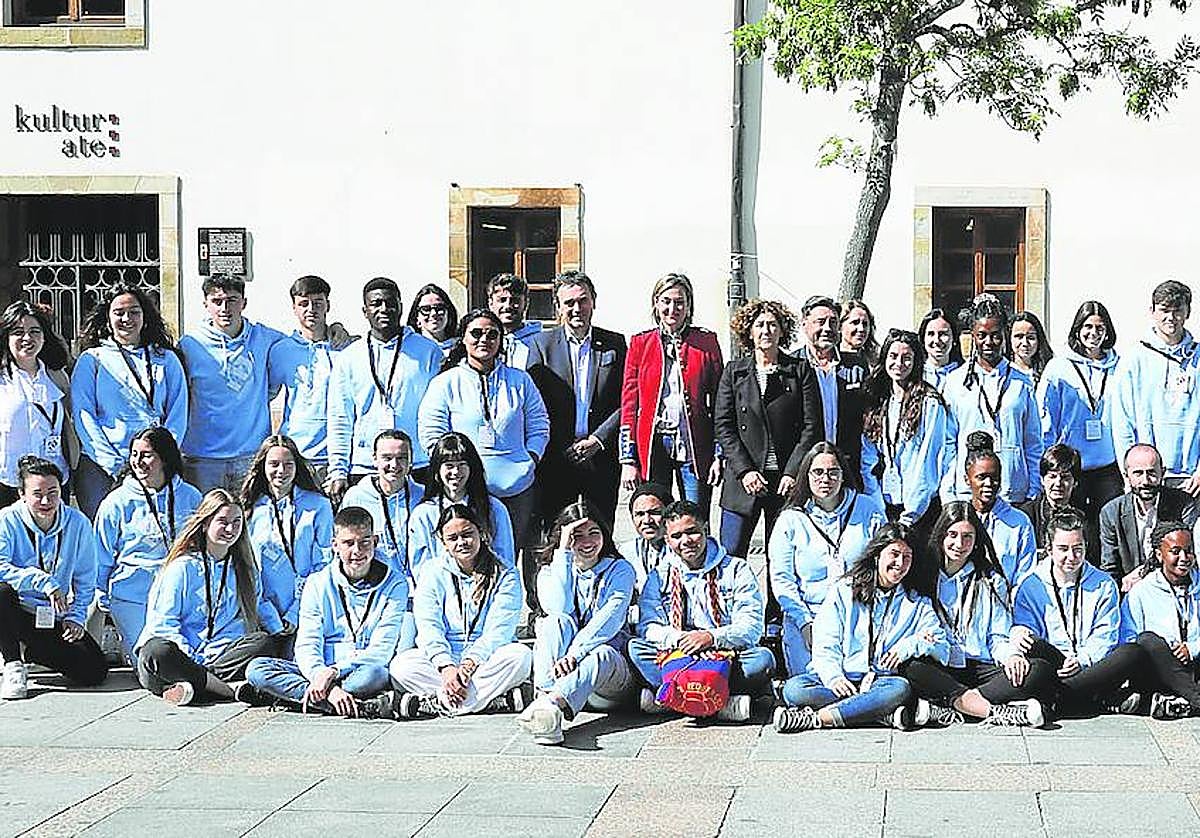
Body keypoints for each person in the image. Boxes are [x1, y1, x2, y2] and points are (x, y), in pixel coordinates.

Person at [418, 308, 549, 619]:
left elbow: (539, 424)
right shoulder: (446, 383)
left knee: (512, 556)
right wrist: (454, 473)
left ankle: (515, 616)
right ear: (463, 339)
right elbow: (432, 433)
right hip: (469, 489)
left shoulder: (520, 380)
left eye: (492, 334)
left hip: (517, 487)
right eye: (476, 333)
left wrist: (531, 459)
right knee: (471, 556)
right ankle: (473, 619)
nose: (484, 340)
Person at [773, 524, 950, 732]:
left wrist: (910, 646)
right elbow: (825, 641)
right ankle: (878, 712)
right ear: (877, 555)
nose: (900, 563)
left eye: (907, 557)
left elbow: (942, 648)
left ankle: (816, 719)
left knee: (900, 688)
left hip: (881, 682)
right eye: (894, 554)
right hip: (842, 678)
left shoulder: (916, 601)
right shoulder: (844, 590)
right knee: (795, 690)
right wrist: (834, 677)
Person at [244, 505, 411, 718]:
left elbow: (382, 649)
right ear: (335, 545)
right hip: (318, 670)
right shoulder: (317, 582)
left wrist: (335, 672)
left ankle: (294, 697)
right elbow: (307, 642)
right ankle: (353, 704)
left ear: (375, 541)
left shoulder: (396, 583)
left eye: (365, 542)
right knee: (257, 669)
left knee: (375, 674)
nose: (357, 551)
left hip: (358, 669)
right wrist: (324, 681)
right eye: (348, 543)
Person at [900, 501, 1053, 726]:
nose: (959, 544)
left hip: (979, 667)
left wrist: (1011, 656)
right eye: (952, 535)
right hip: (941, 665)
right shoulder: (923, 577)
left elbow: (997, 636)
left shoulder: (990, 580)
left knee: (1039, 670)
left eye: (967, 537)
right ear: (941, 535)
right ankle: (996, 711)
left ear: (976, 540)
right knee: (911, 668)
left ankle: (953, 707)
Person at [136, 489, 287, 705]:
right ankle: (226, 690)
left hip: (219, 656)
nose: (230, 529)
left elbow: (246, 617)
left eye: (236, 522)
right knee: (157, 651)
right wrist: (191, 657)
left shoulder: (245, 570)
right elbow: (163, 623)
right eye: (222, 522)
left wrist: (279, 629)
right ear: (205, 523)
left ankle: (192, 687)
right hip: (178, 654)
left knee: (263, 643)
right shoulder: (182, 567)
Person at [629, 500, 774, 722]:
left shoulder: (736, 568)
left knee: (762, 660)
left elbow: (751, 627)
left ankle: (674, 699)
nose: (686, 541)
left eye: (692, 532)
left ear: (705, 529)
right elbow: (648, 625)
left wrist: (710, 638)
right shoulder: (659, 575)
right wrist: (683, 641)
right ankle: (721, 703)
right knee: (635, 649)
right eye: (677, 536)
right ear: (667, 540)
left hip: (724, 653)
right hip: (677, 653)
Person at [389, 504, 532, 718]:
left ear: (481, 533)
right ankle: (490, 701)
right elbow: (429, 626)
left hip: (486, 658)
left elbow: (499, 630)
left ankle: (439, 702)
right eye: (453, 538)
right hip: (445, 657)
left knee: (520, 656)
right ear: (443, 542)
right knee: (401, 666)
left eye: (467, 535)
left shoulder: (505, 573)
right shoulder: (432, 571)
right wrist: (446, 666)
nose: (461, 542)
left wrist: (470, 662)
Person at [714, 299, 821, 573]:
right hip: (743, 481)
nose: (766, 331)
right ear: (749, 331)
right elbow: (724, 426)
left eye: (773, 325)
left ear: (782, 330)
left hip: (784, 481)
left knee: (782, 559)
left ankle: (778, 603)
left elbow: (811, 427)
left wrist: (793, 472)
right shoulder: (734, 372)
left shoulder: (799, 371)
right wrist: (745, 471)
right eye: (760, 325)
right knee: (731, 556)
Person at [519, 500, 636, 745]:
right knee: (553, 623)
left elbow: (609, 619)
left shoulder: (621, 569)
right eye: (577, 536)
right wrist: (563, 552)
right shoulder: (550, 571)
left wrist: (575, 653)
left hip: (608, 678)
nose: (587, 542)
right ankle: (547, 708)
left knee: (602, 653)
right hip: (563, 678)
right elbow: (559, 608)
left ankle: (548, 705)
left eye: (594, 533)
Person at [1011, 507, 1145, 716]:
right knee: (1030, 645)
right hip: (1051, 666)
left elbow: (1106, 635)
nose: (1071, 556)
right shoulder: (1030, 585)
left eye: (1077, 549)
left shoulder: (1104, 583)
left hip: (1089, 667)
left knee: (1132, 652)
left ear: (1086, 546)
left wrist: (1082, 659)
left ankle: (1061, 701)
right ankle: (1093, 701)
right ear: (1049, 549)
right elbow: (1029, 631)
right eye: (1063, 549)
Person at [769, 443, 886, 679]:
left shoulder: (868, 509)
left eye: (833, 472)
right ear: (806, 475)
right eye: (818, 472)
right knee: (807, 684)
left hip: (858, 613)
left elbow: (883, 565)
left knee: (863, 678)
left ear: (843, 475)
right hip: (809, 616)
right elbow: (782, 581)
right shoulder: (790, 520)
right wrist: (804, 623)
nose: (826, 479)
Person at [71, 284, 188, 518]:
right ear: (108, 319)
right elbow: (84, 415)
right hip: (102, 468)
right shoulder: (92, 359)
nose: (127, 319)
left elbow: (178, 412)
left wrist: (161, 455)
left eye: (134, 312)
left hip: (155, 466)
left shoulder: (166, 359)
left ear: (145, 317)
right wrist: (115, 464)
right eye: (119, 313)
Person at [327, 277, 441, 504]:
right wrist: (338, 470)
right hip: (365, 465)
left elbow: (439, 411)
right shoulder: (349, 358)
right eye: (376, 304)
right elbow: (340, 417)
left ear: (401, 306)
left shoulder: (428, 351)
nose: (384, 309)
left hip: (418, 463)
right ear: (365, 311)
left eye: (390, 303)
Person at [527, 271, 627, 529]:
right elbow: (535, 405)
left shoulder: (615, 344)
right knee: (556, 533)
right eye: (569, 303)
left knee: (602, 532)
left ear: (594, 301)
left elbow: (626, 399)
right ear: (558, 307)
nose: (577, 308)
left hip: (601, 456)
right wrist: (565, 445)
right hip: (557, 458)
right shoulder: (541, 345)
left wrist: (598, 439)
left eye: (583, 300)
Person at [93, 426, 202, 662]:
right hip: (132, 595)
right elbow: (101, 555)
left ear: (165, 458)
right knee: (149, 661)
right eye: (134, 454)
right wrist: (101, 594)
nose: (138, 462)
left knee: (190, 656)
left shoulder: (191, 496)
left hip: (179, 593)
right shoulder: (116, 502)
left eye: (146, 455)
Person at [0, 456, 105, 699]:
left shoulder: (77, 523)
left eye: (53, 493)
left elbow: (86, 578)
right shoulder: (7, 519)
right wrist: (43, 581)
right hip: (14, 609)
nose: (46, 501)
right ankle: (12, 662)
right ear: (22, 494)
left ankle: (31, 652)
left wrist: (76, 617)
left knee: (94, 670)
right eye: (37, 494)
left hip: (51, 614)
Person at [619, 273, 724, 509]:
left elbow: (720, 402)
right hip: (653, 444)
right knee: (655, 513)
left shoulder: (706, 342)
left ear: (688, 306)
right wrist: (628, 458)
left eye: (679, 302)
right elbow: (629, 405)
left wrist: (719, 454)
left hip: (694, 445)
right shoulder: (640, 343)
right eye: (666, 301)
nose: (672, 309)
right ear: (656, 303)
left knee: (694, 515)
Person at [178, 275, 285, 493]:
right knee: (205, 515)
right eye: (217, 301)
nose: (224, 308)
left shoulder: (266, 339)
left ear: (244, 303)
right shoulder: (189, 345)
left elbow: (303, 343)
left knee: (249, 514)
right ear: (205, 304)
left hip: (251, 457)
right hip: (202, 459)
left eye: (232, 300)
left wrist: (335, 329)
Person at [942, 295, 1042, 504]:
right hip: (968, 492)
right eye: (982, 335)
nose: (988, 342)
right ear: (973, 336)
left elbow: (1032, 442)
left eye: (995, 335)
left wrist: (1034, 488)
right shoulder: (955, 382)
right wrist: (948, 492)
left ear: (1004, 335)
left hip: (1013, 488)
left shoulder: (1022, 382)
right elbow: (947, 443)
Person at [1038, 301, 1122, 535]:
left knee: (1106, 531)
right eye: (1088, 327)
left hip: (1107, 467)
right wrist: (1047, 462)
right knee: (1072, 530)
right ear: (1077, 329)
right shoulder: (1058, 367)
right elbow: (1047, 420)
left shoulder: (1119, 367)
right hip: (1070, 468)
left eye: (1099, 327)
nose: (1093, 333)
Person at [267, 275, 357, 488]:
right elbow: (265, 395)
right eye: (303, 304)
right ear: (294, 308)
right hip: (297, 454)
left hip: (338, 456)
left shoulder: (347, 349)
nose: (311, 309)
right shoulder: (281, 350)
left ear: (328, 305)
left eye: (317, 303)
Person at [860, 328, 949, 543]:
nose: (899, 363)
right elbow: (868, 458)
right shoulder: (879, 400)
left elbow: (929, 460)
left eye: (906, 357)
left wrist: (910, 515)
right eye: (893, 356)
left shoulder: (929, 402)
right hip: (884, 506)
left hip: (919, 509)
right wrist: (877, 505)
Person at [239, 435, 333, 633]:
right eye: (274, 464)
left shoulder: (319, 506)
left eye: (288, 464)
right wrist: (269, 618)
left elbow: (323, 565)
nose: (281, 471)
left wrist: (296, 613)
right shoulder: (250, 509)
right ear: (263, 467)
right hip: (262, 615)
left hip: (308, 609)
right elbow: (247, 568)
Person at [1113, 279, 1200, 494]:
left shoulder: (1197, 358)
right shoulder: (1133, 359)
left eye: (1177, 310)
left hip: (1192, 478)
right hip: (1148, 477)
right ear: (1152, 311)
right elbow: (1122, 422)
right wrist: (1130, 473)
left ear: (1188, 312)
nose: (1171, 317)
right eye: (1164, 310)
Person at [1119, 521, 1200, 719]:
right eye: (1175, 551)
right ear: (1159, 554)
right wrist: (1166, 649)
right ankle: (1194, 699)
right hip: (1159, 669)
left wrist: (1191, 648)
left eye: (1189, 551)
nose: (1184, 558)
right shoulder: (1140, 592)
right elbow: (1128, 642)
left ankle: (1180, 703)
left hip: (1195, 666)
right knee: (1147, 640)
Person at [408, 432, 516, 576]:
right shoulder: (424, 514)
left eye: (462, 465)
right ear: (437, 470)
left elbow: (505, 559)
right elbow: (420, 567)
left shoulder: (494, 508)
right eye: (449, 465)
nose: (456, 472)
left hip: (487, 584)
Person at [0, 301, 74, 507]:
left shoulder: (57, 377)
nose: (27, 338)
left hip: (52, 482)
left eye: (34, 331)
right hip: (8, 482)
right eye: (18, 332)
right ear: (6, 337)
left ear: (44, 336)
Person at [1100, 443, 1198, 592]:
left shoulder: (1183, 504)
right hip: (1130, 591)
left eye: (1151, 473)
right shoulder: (1111, 512)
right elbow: (1109, 567)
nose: (1145, 481)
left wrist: (1145, 573)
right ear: (1126, 476)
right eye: (1138, 473)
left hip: (1174, 587)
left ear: (1162, 473)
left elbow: (1189, 555)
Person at [798, 295, 869, 477]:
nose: (827, 328)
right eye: (820, 322)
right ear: (804, 324)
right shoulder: (792, 367)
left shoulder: (856, 366)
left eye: (833, 322)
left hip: (847, 468)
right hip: (804, 469)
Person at [960, 431, 1037, 592]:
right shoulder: (958, 520)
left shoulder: (1019, 522)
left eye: (994, 477)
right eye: (981, 477)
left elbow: (1025, 575)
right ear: (967, 479)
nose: (989, 483)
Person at [342, 430, 423, 582]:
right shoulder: (356, 497)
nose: (394, 465)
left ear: (411, 460)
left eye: (401, 458)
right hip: (376, 585)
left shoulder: (423, 496)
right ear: (375, 459)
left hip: (419, 583)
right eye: (387, 458)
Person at [1017, 444, 1083, 551]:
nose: (1058, 483)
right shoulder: (1026, 515)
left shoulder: (1083, 516)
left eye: (1065, 477)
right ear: (1042, 480)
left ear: (1075, 482)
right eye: (1052, 476)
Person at [618, 483, 674, 592]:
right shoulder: (625, 553)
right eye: (640, 514)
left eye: (654, 513)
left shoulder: (683, 550)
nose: (647, 520)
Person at [488, 273, 542, 371]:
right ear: (491, 303)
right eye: (502, 300)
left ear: (526, 304)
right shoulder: (483, 340)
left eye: (515, 300)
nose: (508, 306)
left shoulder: (539, 342)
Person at [406, 282, 459, 355]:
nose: (433, 313)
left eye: (439, 308)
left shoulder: (463, 348)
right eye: (426, 309)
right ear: (416, 318)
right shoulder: (408, 350)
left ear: (449, 313)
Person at [919, 307, 964, 391]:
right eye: (931, 334)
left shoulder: (965, 374)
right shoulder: (915, 375)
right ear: (923, 339)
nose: (937, 340)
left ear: (954, 338)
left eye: (943, 334)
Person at [1008, 311, 1053, 387]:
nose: (1025, 343)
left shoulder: (1049, 372)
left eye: (1030, 337)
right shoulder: (1003, 371)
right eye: (1019, 336)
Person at [839, 299, 880, 368]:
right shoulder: (828, 360)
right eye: (855, 322)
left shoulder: (874, 364)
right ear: (840, 326)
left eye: (865, 324)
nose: (861, 329)